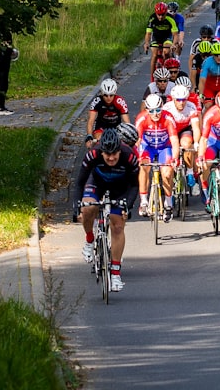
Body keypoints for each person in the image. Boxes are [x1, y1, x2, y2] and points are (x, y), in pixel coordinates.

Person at [74, 127, 139, 291]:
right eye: (107, 155)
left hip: (120, 186)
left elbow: (134, 184)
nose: (111, 158)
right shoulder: (93, 154)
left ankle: (115, 273)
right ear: (101, 152)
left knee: (117, 226)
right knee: (88, 209)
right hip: (97, 182)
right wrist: (76, 205)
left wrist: (128, 205)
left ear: (119, 150)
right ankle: (89, 239)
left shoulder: (129, 156)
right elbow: (80, 182)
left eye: (114, 155)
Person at [133, 95, 181, 220]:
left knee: (167, 172)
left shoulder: (168, 118)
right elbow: (137, 141)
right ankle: (143, 201)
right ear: (147, 110)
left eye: (158, 110)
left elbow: (175, 141)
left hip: (164, 147)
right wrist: (137, 156)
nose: (155, 114)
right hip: (147, 147)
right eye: (152, 111)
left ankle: (168, 202)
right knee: (143, 166)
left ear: (162, 108)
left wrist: (175, 158)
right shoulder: (141, 118)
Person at [86, 78, 130, 147]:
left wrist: (128, 135)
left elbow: (126, 121)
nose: (108, 98)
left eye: (111, 95)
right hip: (101, 127)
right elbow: (91, 120)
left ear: (115, 93)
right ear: (102, 94)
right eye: (105, 95)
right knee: (98, 140)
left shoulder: (120, 101)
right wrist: (89, 136)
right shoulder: (97, 101)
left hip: (116, 127)